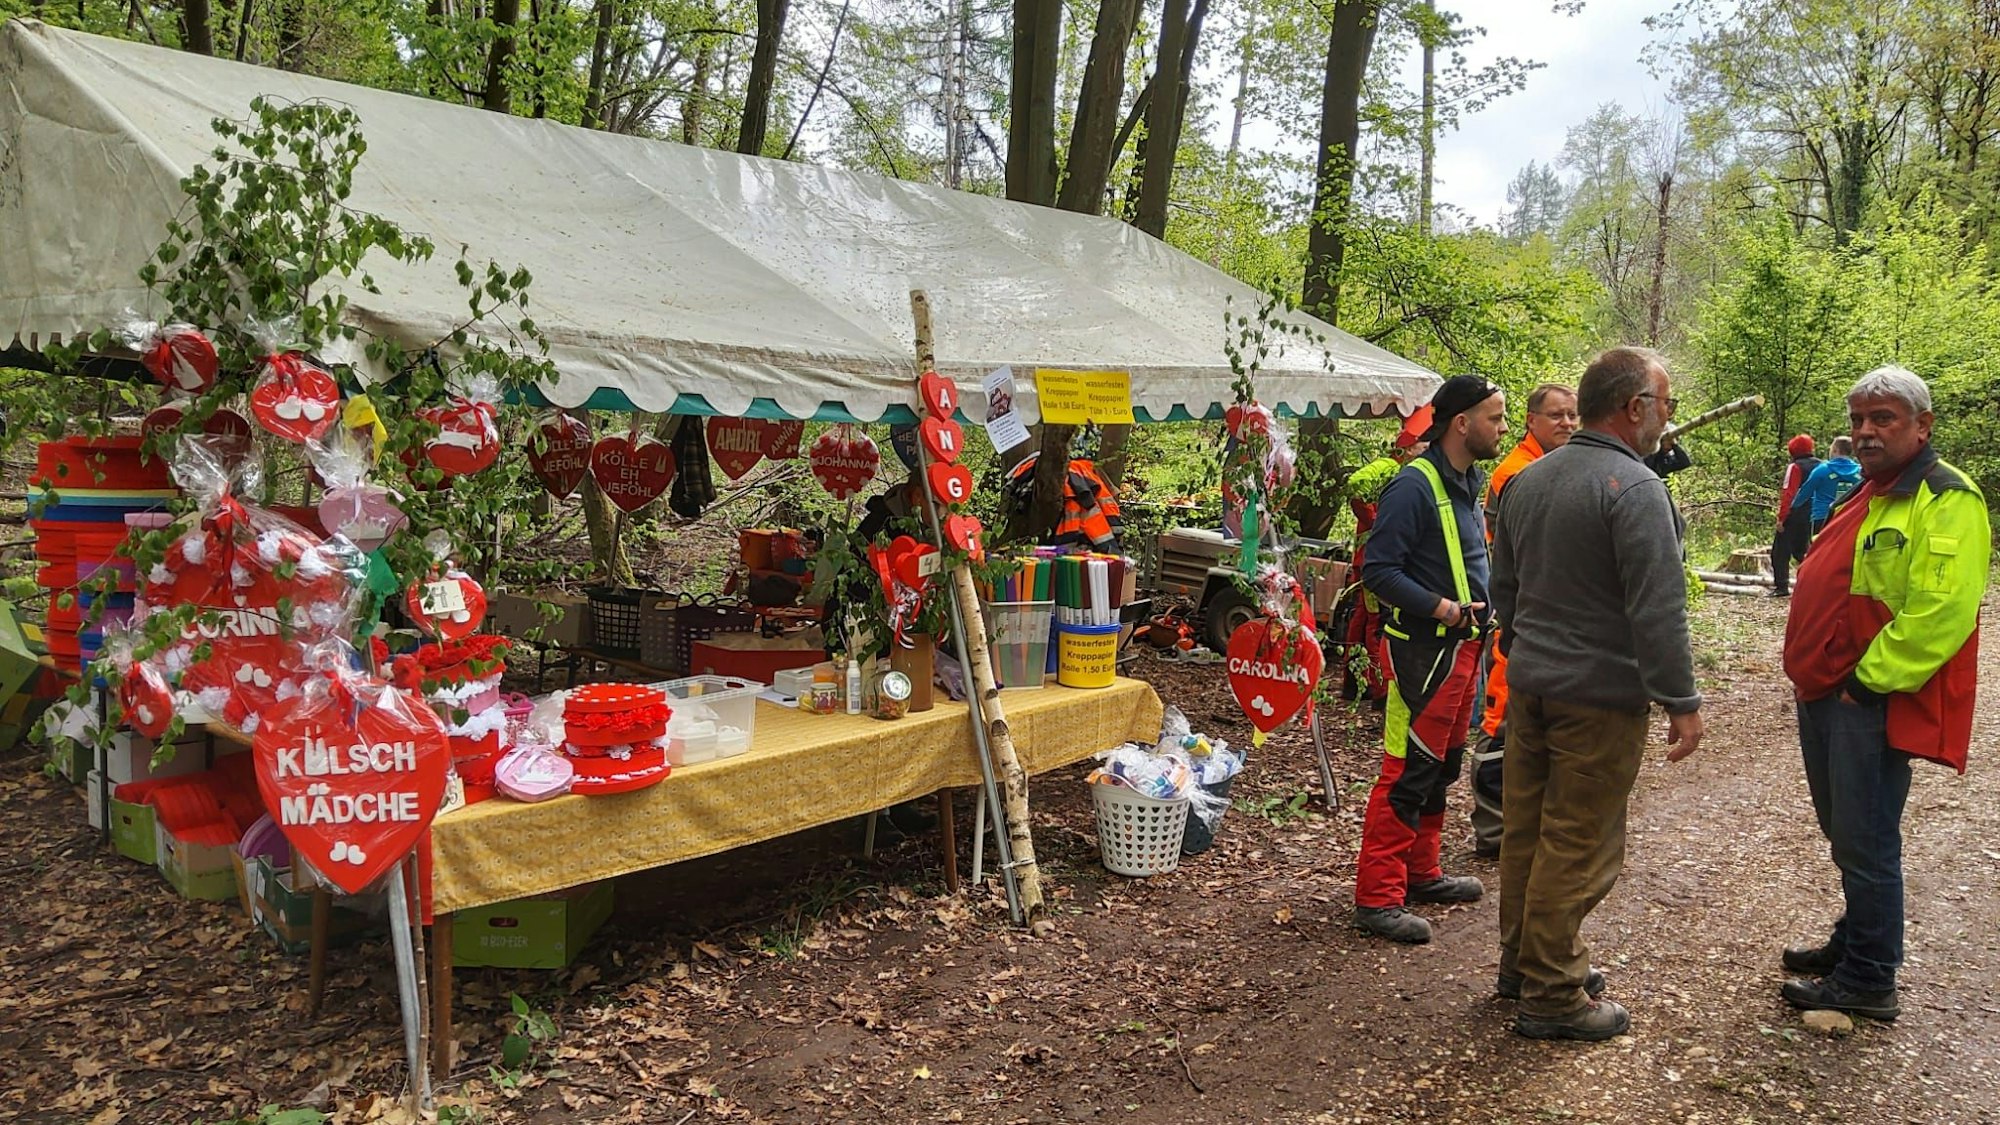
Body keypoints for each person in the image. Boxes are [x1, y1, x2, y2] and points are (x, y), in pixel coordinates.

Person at [1489, 346, 1705, 1041]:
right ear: (1634, 407)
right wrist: (1681, 700)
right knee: (1578, 842)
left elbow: (1504, 590)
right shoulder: (1635, 490)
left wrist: (1529, 649)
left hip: (1531, 687)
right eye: (1665, 405)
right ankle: (1553, 991)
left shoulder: (1528, 480)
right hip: (1599, 699)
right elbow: (1658, 609)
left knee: (1527, 830)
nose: (1667, 419)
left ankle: (1523, 963)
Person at [1778, 366, 1988, 1022]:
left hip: (1866, 697)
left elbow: (1940, 610)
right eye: (1858, 419)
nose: (1866, 431)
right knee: (1844, 828)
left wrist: (1866, 684)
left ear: (1922, 426)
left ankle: (1870, 975)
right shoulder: (1870, 490)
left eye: (1883, 418)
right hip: (1825, 690)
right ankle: (1856, 937)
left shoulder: (1945, 496)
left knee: (1866, 836)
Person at [1354, 374, 1507, 944]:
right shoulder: (1413, 486)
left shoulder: (1466, 481)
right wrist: (1443, 608)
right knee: (1407, 769)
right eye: (1495, 417)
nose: (1503, 428)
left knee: (1441, 766)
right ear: (1462, 423)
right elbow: (1378, 571)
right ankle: (1378, 898)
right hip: (1423, 655)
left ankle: (1421, 872)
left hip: (1464, 651)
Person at [1468, 383, 1578, 857]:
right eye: (1556, 415)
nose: (1567, 423)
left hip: (1547, 619)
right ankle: (1493, 829)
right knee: (1501, 720)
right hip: (1518, 617)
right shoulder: (1517, 472)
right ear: (1532, 421)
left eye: (1573, 415)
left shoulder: (1557, 465)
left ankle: (1527, 823)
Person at [1771, 434, 1820, 595]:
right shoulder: (1821, 466)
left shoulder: (1794, 467)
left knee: (1780, 552)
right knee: (1803, 551)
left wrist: (1781, 518)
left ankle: (1782, 586)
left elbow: (1789, 493)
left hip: (1795, 514)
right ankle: (1814, 582)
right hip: (1815, 514)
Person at [1796, 435, 1861, 533]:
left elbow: (1804, 494)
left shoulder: (1822, 470)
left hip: (1823, 517)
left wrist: (1790, 508)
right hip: (1850, 518)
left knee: (1821, 543)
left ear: (1835, 450)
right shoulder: (1860, 472)